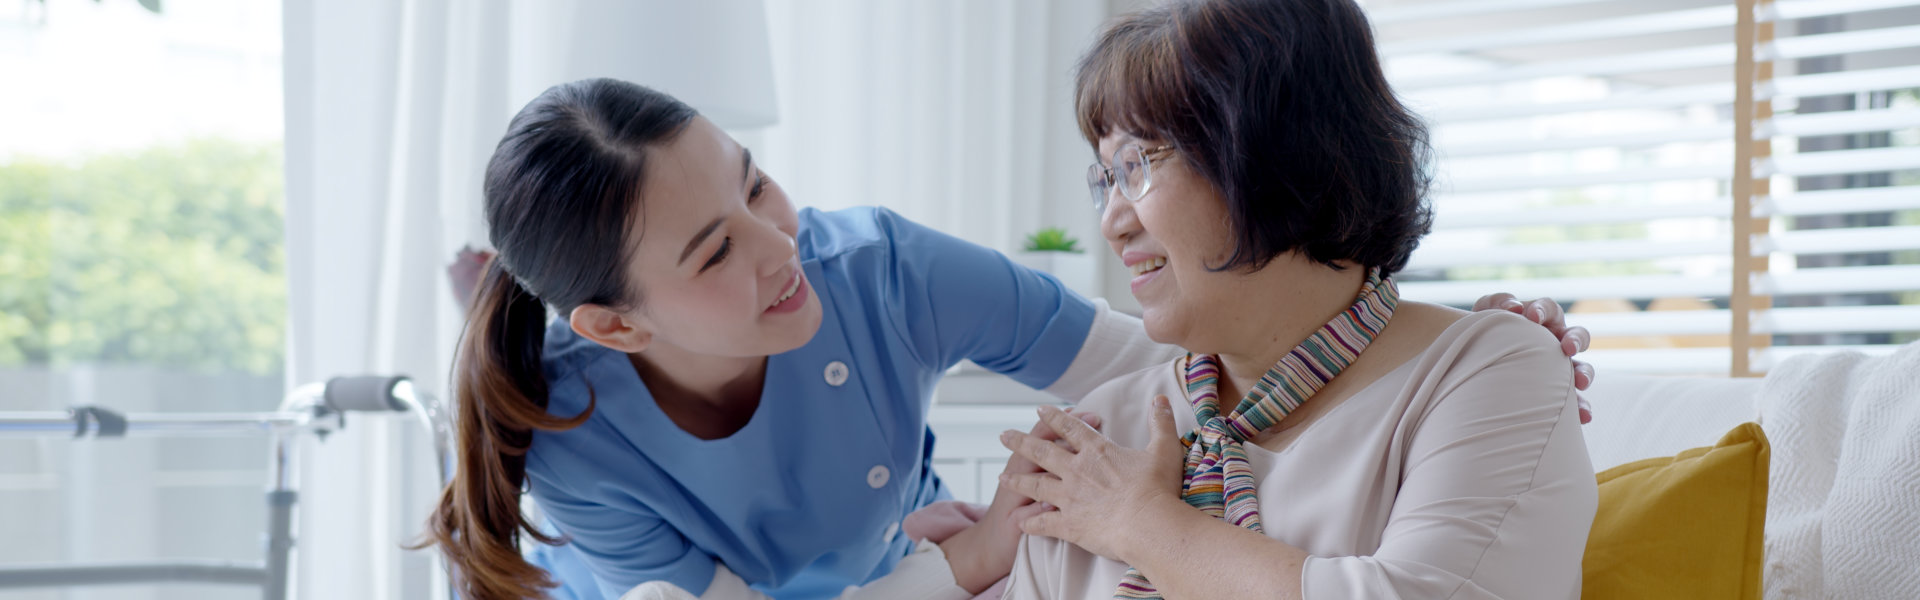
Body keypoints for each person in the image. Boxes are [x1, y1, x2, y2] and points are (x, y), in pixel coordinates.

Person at [423, 78, 1597, 600]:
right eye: (714, 253)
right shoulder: (577, 439)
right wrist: (974, 555)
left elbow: (1179, 352)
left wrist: (1430, 340)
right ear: (614, 324)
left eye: (758, 188)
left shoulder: (876, 270)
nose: (778, 246)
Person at [998, 1, 1599, 598]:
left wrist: (1145, 527)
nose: (1112, 222)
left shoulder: (1483, 371)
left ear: (1274, 153)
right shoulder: (1099, 434)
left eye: (1136, 164)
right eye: (1105, 178)